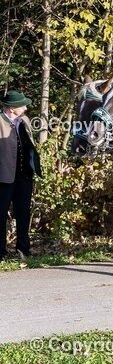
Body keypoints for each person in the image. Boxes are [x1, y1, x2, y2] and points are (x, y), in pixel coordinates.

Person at [0, 91, 41, 260]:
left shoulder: (25, 121)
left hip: (24, 175)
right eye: (22, 105)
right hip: (3, 177)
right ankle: (0, 252)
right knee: (0, 215)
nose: (25, 107)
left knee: (23, 212)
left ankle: (24, 249)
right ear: (11, 108)